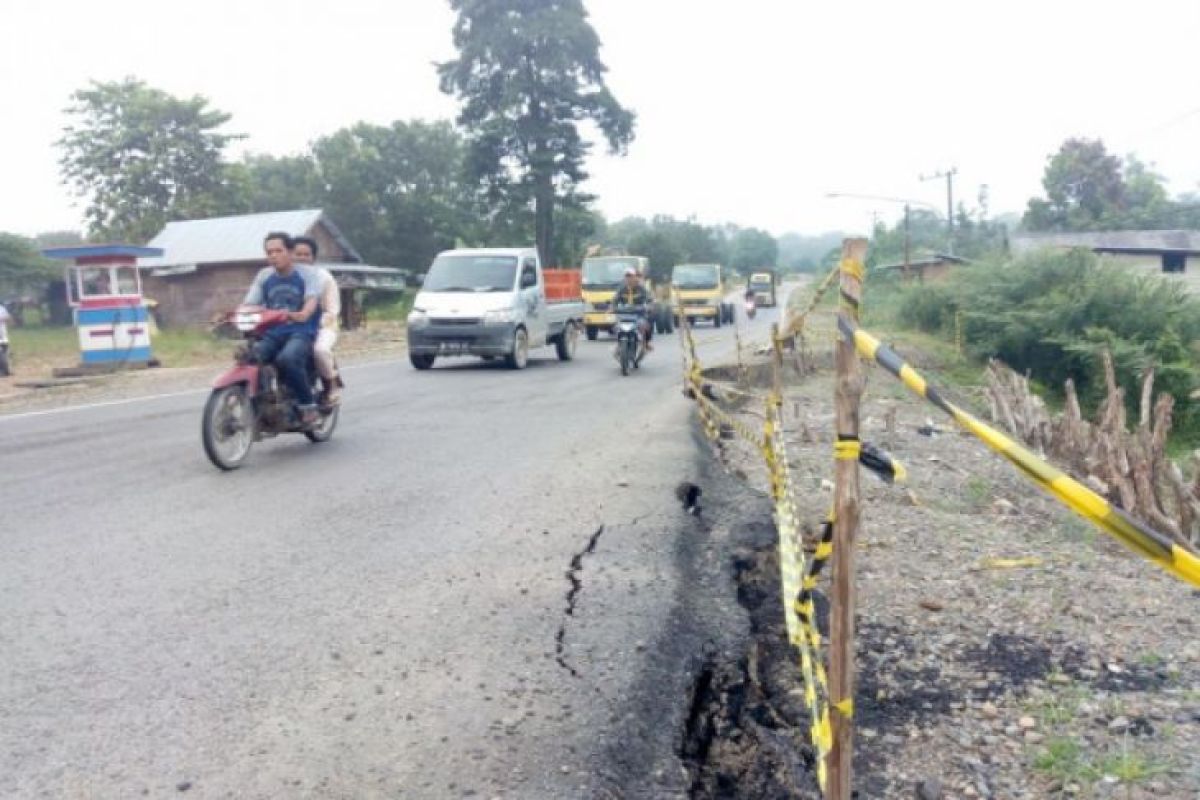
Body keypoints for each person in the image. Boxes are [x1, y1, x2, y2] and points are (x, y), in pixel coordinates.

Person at [242, 232, 321, 425]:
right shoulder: (264, 275)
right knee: (250, 356)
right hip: (272, 333)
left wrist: (302, 313)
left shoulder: (308, 274)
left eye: (278, 250)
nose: (273, 255)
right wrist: (238, 314)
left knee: (288, 358)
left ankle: (308, 406)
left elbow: (311, 302)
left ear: (291, 252)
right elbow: (249, 303)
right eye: (269, 252)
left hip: (300, 331)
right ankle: (262, 404)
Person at [291, 236, 342, 405]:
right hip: (290, 325)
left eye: (307, 254)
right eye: (298, 254)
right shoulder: (283, 275)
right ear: (291, 255)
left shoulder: (324, 278)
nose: (302, 258)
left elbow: (332, 309)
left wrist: (318, 324)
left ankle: (330, 387)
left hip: (322, 325)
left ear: (313, 257)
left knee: (319, 350)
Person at [612, 267, 653, 351]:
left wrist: (649, 306)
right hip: (624, 314)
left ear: (635, 277)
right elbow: (615, 300)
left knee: (647, 326)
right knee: (616, 327)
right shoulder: (621, 289)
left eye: (631, 276)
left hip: (638, 313)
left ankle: (646, 343)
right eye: (627, 276)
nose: (629, 278)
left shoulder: (641, 288)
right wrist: (612, 307)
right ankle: (619, 344)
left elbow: (649, 299)